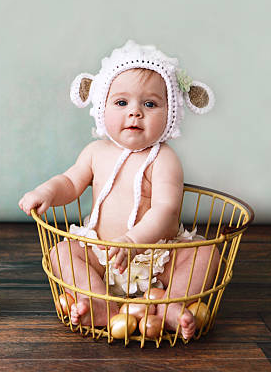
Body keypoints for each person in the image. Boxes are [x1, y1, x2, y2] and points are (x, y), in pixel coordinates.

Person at [19, 41, 219, 339]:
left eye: (150, 104)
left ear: (171, 112)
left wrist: (133, 240)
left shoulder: (164, 159)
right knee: (61, 252)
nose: (135, 113)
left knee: (207, 254)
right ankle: (100, 304)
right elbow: (70, 182)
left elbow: (166, 211)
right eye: (121, 103)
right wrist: (46, 191)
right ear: (101, 106)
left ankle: (169, 303)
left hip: (155, 257)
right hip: (101, 254)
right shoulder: (95, 152)